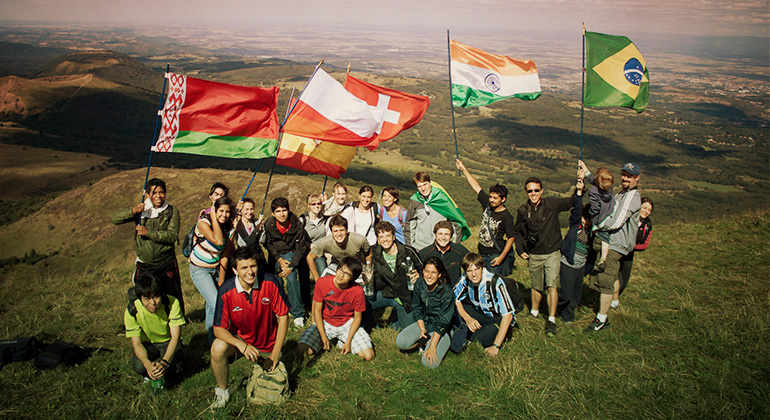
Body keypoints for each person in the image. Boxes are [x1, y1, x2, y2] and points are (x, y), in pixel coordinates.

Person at [209, 247, 289, 408]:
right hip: (241, 342)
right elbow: (218, 329)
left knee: (276, 387)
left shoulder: (270, 281)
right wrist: (241, 345)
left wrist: (275, 354)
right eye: (244, 268)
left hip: (268, 345)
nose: (250, 272)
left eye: (253, 266)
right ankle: (222, 393)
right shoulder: (226, 290)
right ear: (235, 270)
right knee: (217, 347)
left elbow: (283, 317)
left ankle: (264, 364)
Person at [111, 178, 184, 314]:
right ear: (148, 194)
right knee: (144, 294)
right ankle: (142, 320)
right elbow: (115, 219)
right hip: (145, 263)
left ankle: (178, 321)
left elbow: (172, 236)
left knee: (173, 294)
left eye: (161, 192)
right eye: (154, 193)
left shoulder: (172, 211)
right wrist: (133, 210)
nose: (158, 196)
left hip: (166, 262)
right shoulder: (141, 210)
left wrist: (148, 233)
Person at [513, 175, 573, 337]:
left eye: (536, 190)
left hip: (552, 252)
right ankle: (534, 312)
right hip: (534, 253)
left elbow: (570, 202)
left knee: (551, 285)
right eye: (530, 191)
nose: (533, 193)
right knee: (536, 285)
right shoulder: (523, 211)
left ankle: (551, 319)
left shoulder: (551, 204)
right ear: (526, 192)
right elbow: (517, 232)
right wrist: (520, 249)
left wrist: (580, 188)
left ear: (542, 191)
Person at [585, 163, 641, 332]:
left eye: (629, 176)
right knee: (613, 274)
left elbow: (616, 222)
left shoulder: (631, 196)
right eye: (623, 174)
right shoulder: (622, 193)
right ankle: (615, 303)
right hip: (613, 242)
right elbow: (602, 188)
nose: (625, 178)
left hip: (615, 244)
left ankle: (601, 319)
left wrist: (597, 225)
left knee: (605, 280)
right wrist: (588, 174)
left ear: (637, 178)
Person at [296, 257, 375, 361]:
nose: (341, 275)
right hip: (326, 322)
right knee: (303, 350)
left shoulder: (357, 291)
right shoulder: (322, 282)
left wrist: (348, 341)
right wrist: (323, 336)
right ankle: (328, 339)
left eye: (347, 274)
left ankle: (342, 341)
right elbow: (317, 311)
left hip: (347, 324)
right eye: (340, 270)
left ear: (352, 278)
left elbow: (357, 318)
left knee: (368, 356)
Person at [456, 159, 516, 277]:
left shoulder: (506, 217)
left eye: (495, 198)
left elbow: (511, 238)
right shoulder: (487, 205)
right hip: (481, 253)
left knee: (491, 282)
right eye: (491, 197)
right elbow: (476, 186)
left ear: (503, 199)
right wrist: (463, 169)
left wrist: (501, 258)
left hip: (494, 255)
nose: (491, 200)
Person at [124, 272, 184, 387]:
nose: (153, 303)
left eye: (156, 296)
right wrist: (147, 364)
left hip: (168, 341)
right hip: (148, 343)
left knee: (175, 369)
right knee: (139, 366)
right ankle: (149, 373)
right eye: (147, 298)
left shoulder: (172, 303)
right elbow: (137, 343)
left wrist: (164, 363)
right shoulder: (132, 311)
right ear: (140, 298)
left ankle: (165, 367)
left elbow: (175, 337)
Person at [189, 196, 234, 345]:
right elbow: (218, 241)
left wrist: (221, 280)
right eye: (221, 211)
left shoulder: (229, 228)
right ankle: (220, 337)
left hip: (216, 268)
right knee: (216, 303)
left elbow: (225, 256)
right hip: (199, 269)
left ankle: (212, 338)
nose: (224, 215)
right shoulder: (203, 223)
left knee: (211, 304)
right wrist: (213, 217)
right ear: (215, 210)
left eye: (227, 212)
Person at [395, 257, 456, 368]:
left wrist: (433, 345)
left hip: (442, 329)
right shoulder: (420, 283)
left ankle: (434, 343)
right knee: (401, 342)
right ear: (422, 271)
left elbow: (444, 322)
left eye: (433, 272)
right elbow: (417, 308)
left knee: (429, 364)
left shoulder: (447, 293)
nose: (429, 276)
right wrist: (422, 329)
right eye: (427, 271)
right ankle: (422, 343)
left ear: (439, 275)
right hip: (426, 322)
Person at [452, 253, 515, 357]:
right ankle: (466, 329)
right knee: (454, 308)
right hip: (480, 313)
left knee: (477, 340)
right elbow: (454, 298)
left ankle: (477, 335)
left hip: (498, 319)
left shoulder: (495, 282)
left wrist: (496, 346)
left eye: (476, 269)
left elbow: (508, 315)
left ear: (482, 268)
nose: (474, 274)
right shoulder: (465, 279)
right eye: (469, 271)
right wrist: (468, 318)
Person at [262, 197, 311, 328]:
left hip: (291, 253)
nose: (282, 214)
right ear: (273, 213)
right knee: (275, 280)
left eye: (284, 210)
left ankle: (298, 313)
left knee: (291, 277)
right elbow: (268, 243)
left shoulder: (296, 224)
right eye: (278, 211)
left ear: (288, 211)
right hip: (275, 254)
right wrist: (279, 259)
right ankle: (282, 307)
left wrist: (291, 266)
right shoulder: (269, 224)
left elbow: (301, 247)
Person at [369, 221, 422, 329]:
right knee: (363, 301)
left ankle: (396, 320)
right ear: (378, 239)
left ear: (393, 237)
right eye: (381, 237)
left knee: (406, 328)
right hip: (388, 292)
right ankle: (371, 326)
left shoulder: (408, 251)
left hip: (406, 296)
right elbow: (379, 284)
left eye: (388, 236)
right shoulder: (376, 255)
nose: (385, 239)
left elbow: (423, 270)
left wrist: (419, 276)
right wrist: (371, 280)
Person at [404, 171, 470, 251]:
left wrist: (455, 247)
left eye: (425, 184)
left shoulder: (442, 198)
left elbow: (456, 222)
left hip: (441, 247)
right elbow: (409, 225)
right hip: (420, 248)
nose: (423, 189)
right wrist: (410, 248)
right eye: (419, 186)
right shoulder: (414, 201)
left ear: (430, 183)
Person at [556, 176, 592, 323]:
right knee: (566, 293)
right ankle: (555, 306)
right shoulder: (576, 225)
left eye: (588, 219)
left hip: (580, 266)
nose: (585, 221)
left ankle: (568, 316)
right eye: (584, 217)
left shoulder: (592, 232)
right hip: (568, 263)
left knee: (576, 294)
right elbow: (576, 209)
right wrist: (579, 192)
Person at [306, 214, 371, 280]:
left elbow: (368, 254)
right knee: (325, 282)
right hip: (337, 265)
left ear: (347, 230)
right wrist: (316, 278)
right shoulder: (325, 242)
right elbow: (310, 257)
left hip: (355, 266)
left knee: (362, 284)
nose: (339, 234)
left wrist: (368, 269)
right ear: (331, 232)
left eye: (342, 230)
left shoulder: (360, 240)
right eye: (335, 231)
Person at [578, 161, 614, 273]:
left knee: (597, 239)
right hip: (609, 217)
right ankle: (602, 258)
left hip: (599, 220)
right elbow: (596, 182)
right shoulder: (609, 189)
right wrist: (586, 172)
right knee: (605, 240)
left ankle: (597, 262)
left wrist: (590, 213)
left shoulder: (594, 191)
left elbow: (595, 208)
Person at [616, 197, 654, 301]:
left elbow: (645, 245)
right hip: (617, 251)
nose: (646, 211)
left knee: (624, 283)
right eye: (644, 208)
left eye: (649, 210)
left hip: (629, 255)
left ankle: (613, 300)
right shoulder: (628, 218)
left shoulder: (648, 224)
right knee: (616, 280)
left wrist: (630, 246)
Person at [419, 221, 469, 285]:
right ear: (434, 234)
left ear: (451, 236)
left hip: (454, 290)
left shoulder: (459, 250)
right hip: (432, 290)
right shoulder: (424, 254)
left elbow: (472, 266)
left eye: (446, 234)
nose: (443, 238)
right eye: (440, 234)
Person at [299, 193, 329, 277]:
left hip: (319, 252)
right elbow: (297, 239)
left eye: (319, 203)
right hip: (304, 252)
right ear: (308, 205)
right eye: (313, 204)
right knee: (304, 278)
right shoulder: (302, 220)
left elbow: (335, 209)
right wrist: (308, 245)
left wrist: (326, 202)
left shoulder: (324, 218)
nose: (316, 206)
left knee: (323, 275)